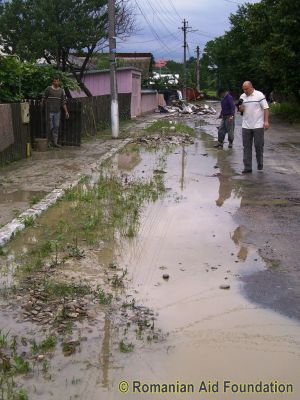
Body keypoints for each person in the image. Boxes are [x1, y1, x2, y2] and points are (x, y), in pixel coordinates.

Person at [239, 81, 269, 173]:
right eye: (243, 89)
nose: (245, 90)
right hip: (246, 125)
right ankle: (247, 167)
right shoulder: (242, 96)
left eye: (246, 88)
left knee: (258, 146)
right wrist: (240, 108)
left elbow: (266, 108)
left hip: (258, 125)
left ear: (251, 87)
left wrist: (266, 121)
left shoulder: (259, 95)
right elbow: (241, 111)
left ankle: (260, 163)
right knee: (246, 147)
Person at [43, 76, 69, 147]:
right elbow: (44, 99)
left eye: (57, 81)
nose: (56, 83)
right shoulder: (48, 89)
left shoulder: (61, 91)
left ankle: (55, 142)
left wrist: (66, 112)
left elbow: (63, 102)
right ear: (53, 82)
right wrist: (46, 107)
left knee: (56, 127)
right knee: (50, 126)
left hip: (57, 112)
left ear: (59, 82)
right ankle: (49, 142)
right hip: (49, 112)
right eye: (55, 81)